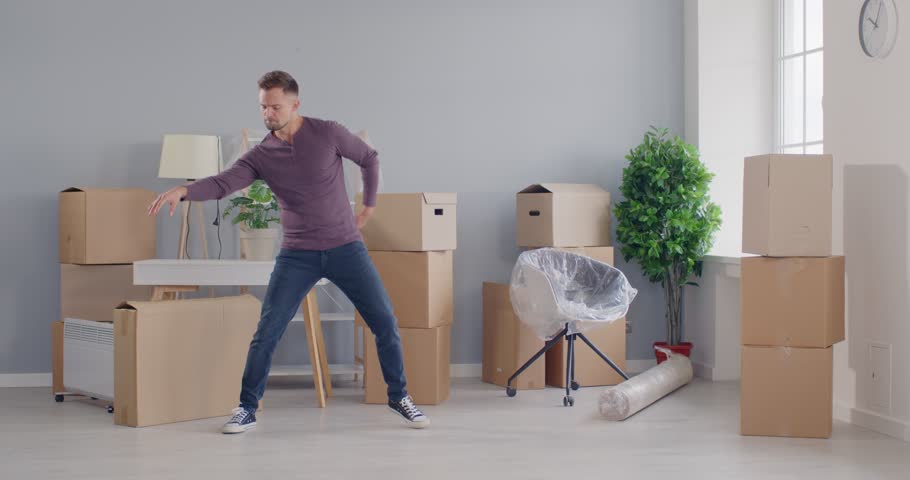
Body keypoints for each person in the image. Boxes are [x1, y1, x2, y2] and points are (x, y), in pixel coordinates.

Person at [148, 70, 429, 434]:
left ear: (295, 104)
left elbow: (369, 158)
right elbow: (222, 183)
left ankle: (399, 396)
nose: (268, 113)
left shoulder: (327, 132)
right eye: (263, 107)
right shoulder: (262, 155)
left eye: (275, 106)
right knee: (268, 331)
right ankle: (246, 407)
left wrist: (369, 207)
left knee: (385, 322)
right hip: (298, 254)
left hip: (346, 247)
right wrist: (184, 191)